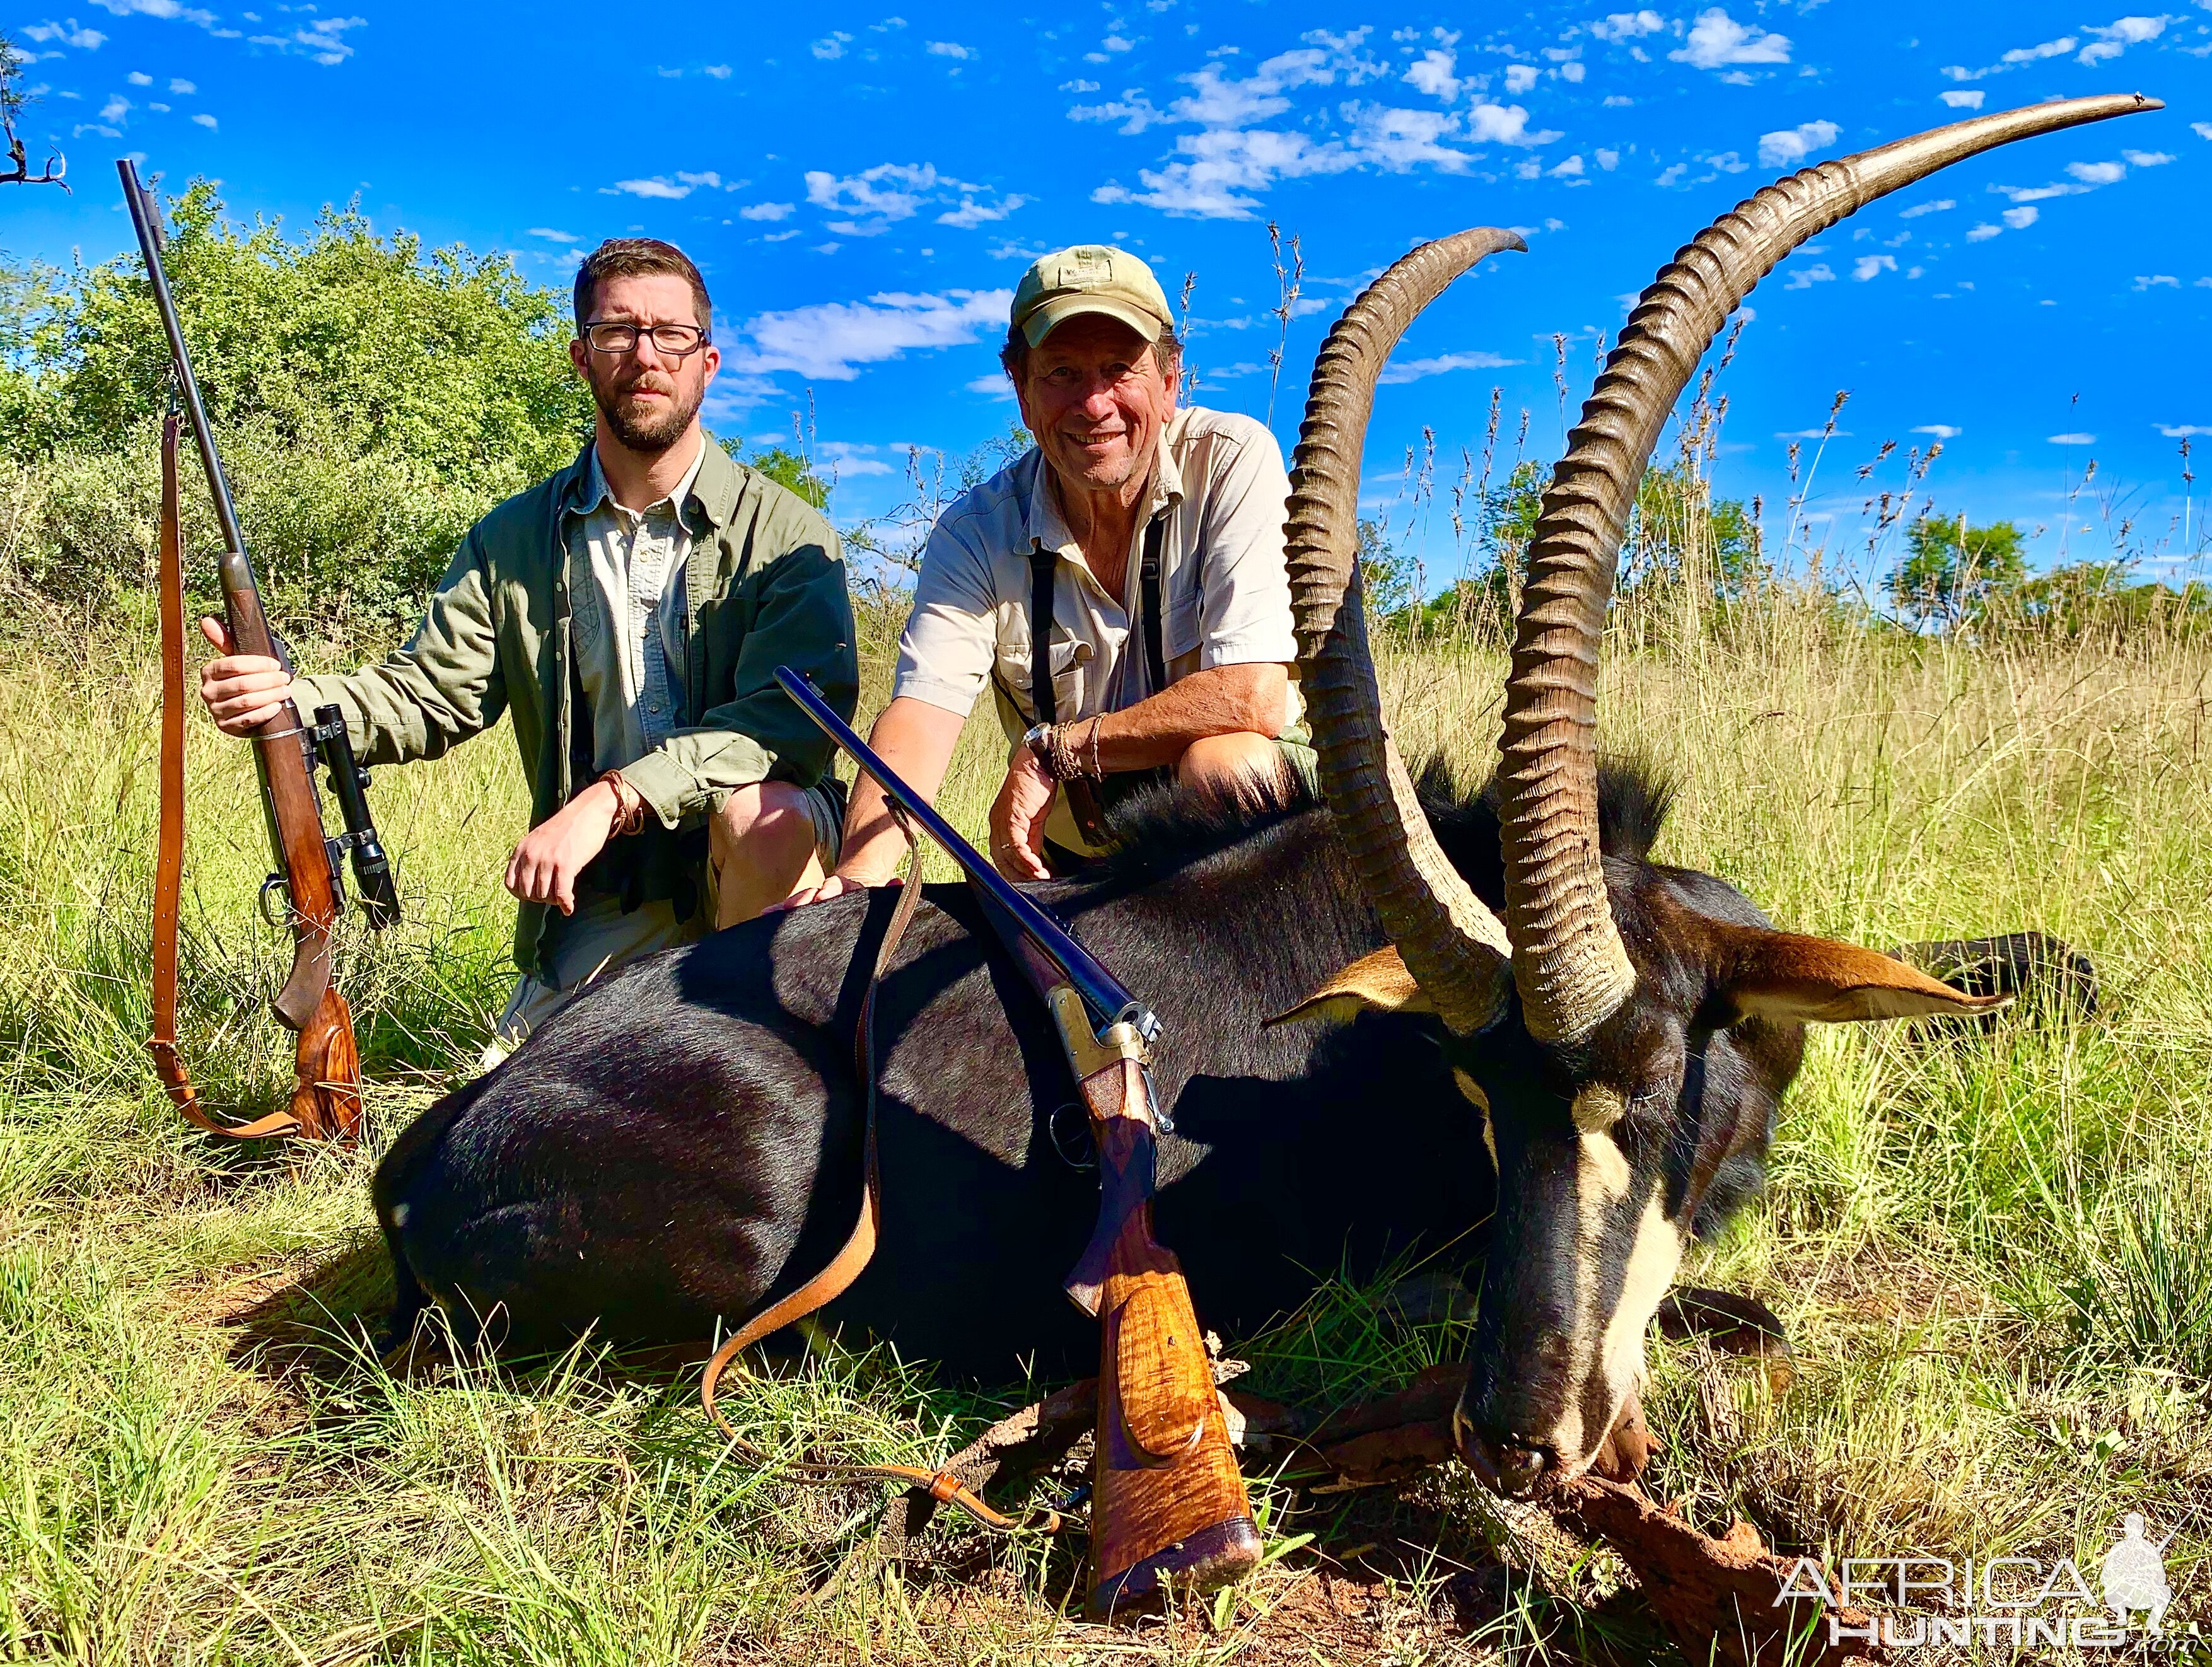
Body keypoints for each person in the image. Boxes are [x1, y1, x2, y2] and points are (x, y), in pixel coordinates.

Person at [197, 238, 859, 1054]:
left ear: (708, 360)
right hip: (605, 890)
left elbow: (786, 726)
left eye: (670, 334)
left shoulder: (789, 535)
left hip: (754, 866)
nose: (644, 355)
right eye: (617, 332)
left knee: (766, 816)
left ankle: (782, 1053)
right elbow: (432, 692)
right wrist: (293, 700)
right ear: (582, 356)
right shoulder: (514, 538)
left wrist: (611, 799)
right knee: (517, 1118)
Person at [796, 243, 1305, 902]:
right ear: (1019, 385)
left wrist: (1058, 748)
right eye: (1061, 372)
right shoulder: (974, 531)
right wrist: (859, 875)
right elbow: (922, 715)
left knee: (1227, 765)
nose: (1094, 405)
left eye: (1120, 369)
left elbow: (1251, 696)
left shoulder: (1233, 461)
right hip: (1073, 863)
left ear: (1170, 379)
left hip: (1244, 850)